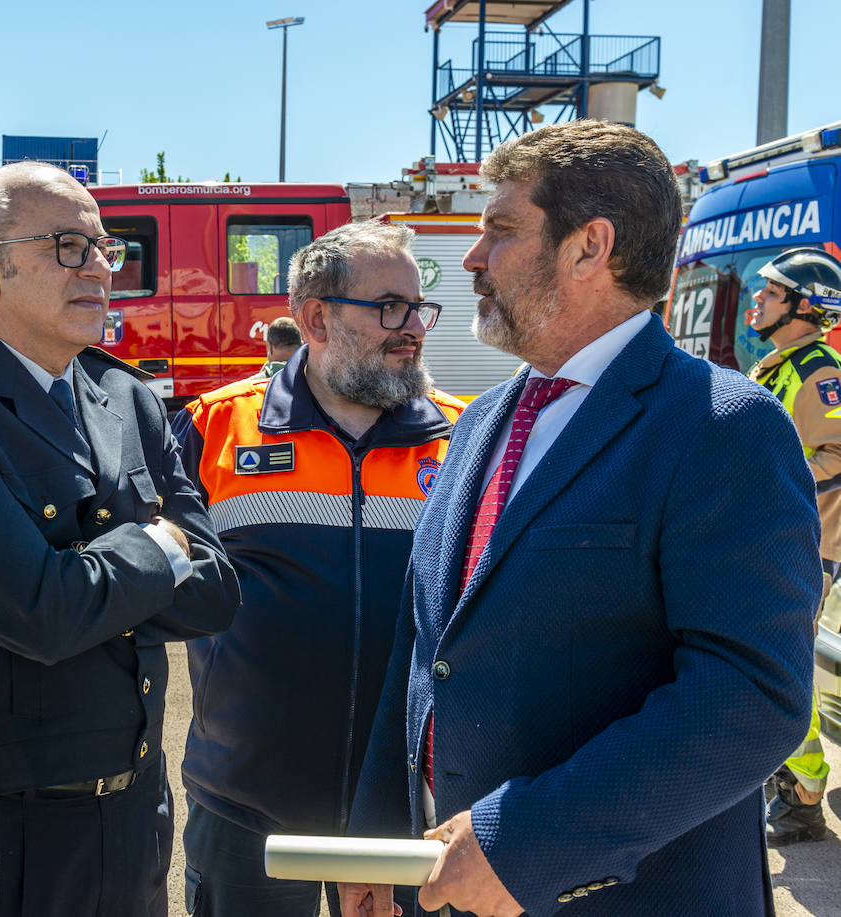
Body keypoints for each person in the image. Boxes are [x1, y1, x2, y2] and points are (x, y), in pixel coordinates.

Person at [343, 120, 821, 917]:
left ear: (590, 247)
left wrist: (524, 842)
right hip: (448, 888)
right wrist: (377, 831)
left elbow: (749, 696)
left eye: (500, 230)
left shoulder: (722, 425)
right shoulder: (482, 421)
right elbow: (426, 643)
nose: (472, 259)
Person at [0, 160, 240, 917]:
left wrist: (84, 581)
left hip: (136, 814)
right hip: (6, 829)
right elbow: (40, 614)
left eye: (104, 247)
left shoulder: (126, 394)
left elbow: (217, 594)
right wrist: (160, 548)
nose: (100, 266)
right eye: (69, 246)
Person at [172, 220, 464, 917]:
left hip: (414, 815)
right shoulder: (213, 428)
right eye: (389, 307)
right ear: (314, 319)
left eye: (418, 308)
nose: (413, 328)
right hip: (246, 808)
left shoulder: (466, 437)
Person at [746, 245, 841, 845]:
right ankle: (786, 778)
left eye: (772, 291)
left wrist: (774, 481)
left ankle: (803, 797)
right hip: (773, 540)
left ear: (805, 307)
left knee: (785, 665)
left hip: (804, 547)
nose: (757, 298)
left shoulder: (820, 374)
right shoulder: (778, 366)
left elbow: (835, 457)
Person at [248, 315, 304, 379]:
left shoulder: (250, 383)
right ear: (301, 346)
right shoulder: (311, 379)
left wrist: (261, 375)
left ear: (270, 347)